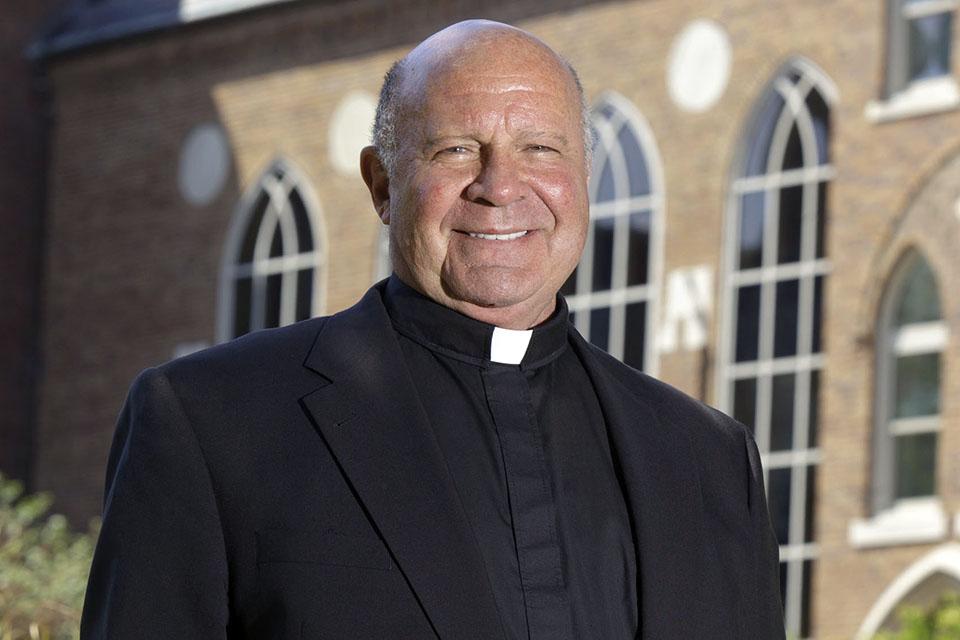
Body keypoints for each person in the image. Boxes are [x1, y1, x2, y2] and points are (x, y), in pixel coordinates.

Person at [80, 19, 784, 640]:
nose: (500, 186)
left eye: (541, 149)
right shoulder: (212, 423)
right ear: (382, 185)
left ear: (585, 179)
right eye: (455, 150)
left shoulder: (708, 460)